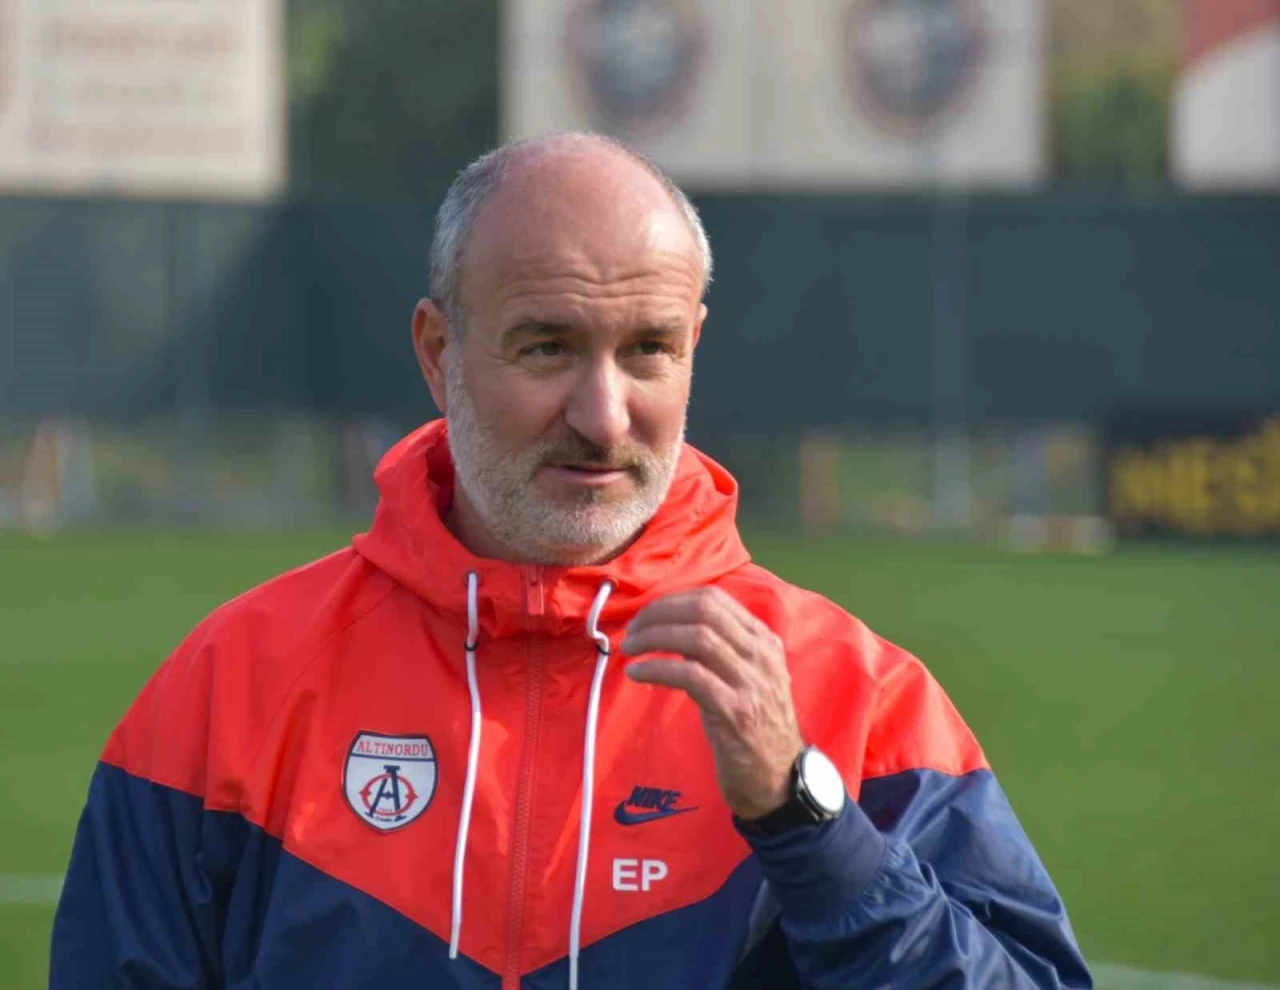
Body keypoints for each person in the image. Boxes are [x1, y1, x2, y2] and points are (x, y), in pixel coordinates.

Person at [51, 133, 1091, 990]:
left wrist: (808, 824)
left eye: (647, 350)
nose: (603, 416)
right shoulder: (233, 686)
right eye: (546, 347)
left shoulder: (858, 700)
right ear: (438, 353)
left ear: (692, 349)